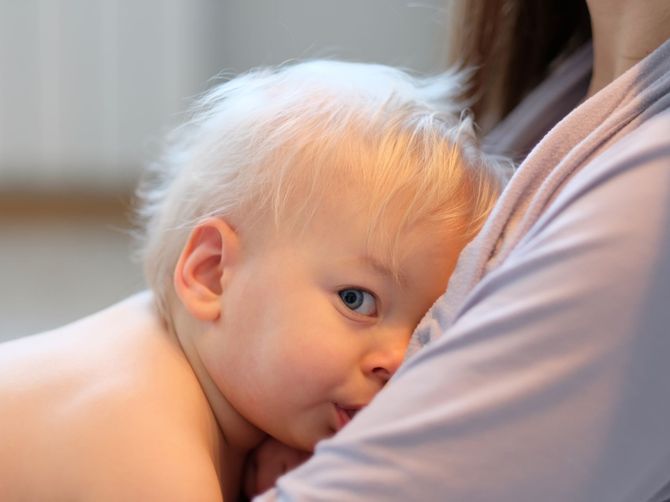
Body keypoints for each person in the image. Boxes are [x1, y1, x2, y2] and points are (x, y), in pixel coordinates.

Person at [0, 60, 508, 501]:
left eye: (424, 325)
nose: (397, 361)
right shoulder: (146, 444)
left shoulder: (208, 372)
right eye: (358, 300)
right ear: (211, 275)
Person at [252, 1, 670, 501]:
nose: (395, 359)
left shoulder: (650, 199)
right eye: (356, 299)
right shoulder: (577, 76)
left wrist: (152, 401)